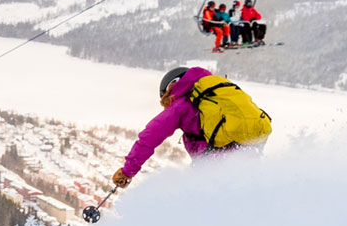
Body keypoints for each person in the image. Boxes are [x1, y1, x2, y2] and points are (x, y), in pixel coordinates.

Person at [111, 66, 274, 186]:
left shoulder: (182, 105)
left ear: (172, 86)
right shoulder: (218, 89)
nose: (167, 104)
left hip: (215, 163)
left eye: (166, 99)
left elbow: (149, 137)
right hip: (248, 152)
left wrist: (127, 171)